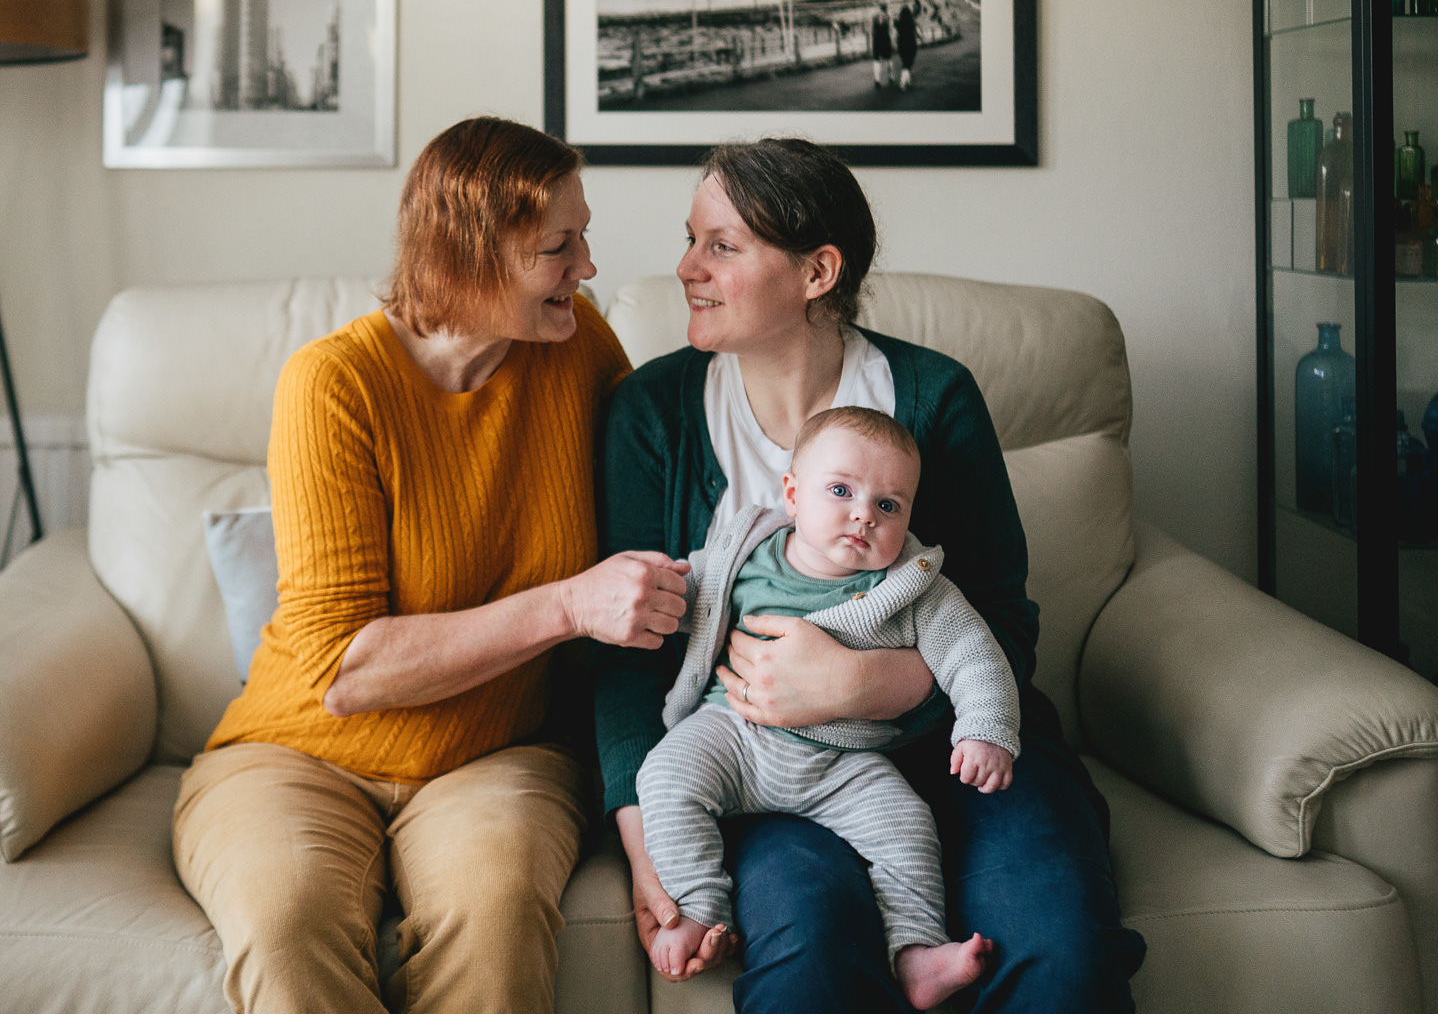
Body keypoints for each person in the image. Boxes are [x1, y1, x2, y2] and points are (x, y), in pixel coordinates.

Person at [594, 136, 1146, 1013]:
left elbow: (1000, 617)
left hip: (965, 747)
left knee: (1060, 947)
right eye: (691, 239)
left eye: (722, 246)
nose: (686, 269)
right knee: (812, 951)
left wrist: (869, 682)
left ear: (817, 271)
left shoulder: (933, 397)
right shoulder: (652, 414)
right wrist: (641, 834)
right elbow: (627, 653)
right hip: (762, 761)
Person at [174, 116, 691, 1014]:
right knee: (288, 922)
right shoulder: (334, 384)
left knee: (493, 921)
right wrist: (566, 605)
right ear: (467, 257)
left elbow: (669, 482)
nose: (589, 267)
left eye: (585, 237)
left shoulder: (580, 353)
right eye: (558, 247)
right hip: (297, 754)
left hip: (502, 753)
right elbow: (345, 671)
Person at [638, 406, 1018, 1011]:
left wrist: (985, 729)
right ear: (792, 495)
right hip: (733, 735)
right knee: (662, 774)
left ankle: (916, 953)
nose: (864, 513)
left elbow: (975, 657)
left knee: (907, 826)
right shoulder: (745, 555)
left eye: (889, 506)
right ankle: (697, 908)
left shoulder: (915, 589)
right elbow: (683, 593)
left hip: (843, 762)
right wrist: (651, 588)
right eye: (841, 490)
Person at [895, 3, 921, 91]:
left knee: (905, 62)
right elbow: (918, 32)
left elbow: (895, 29)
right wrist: (920, 37)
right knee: (908, 63)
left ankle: (908, 80)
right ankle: (902, 82)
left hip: (901, 44)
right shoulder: (912, 21)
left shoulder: (898, 23)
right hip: (911, 44)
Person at [870, 7, 894, 89]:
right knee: (889, 58)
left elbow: (872, 31)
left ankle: (877, 79)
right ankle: (890, 76)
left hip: (877, 40)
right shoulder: (887, 17)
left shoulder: (874, 16)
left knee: (877, 60)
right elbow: (891, 29)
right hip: (885, 39)